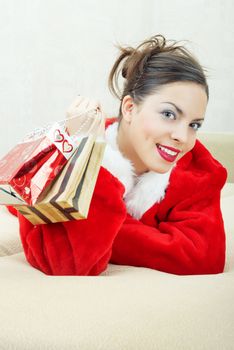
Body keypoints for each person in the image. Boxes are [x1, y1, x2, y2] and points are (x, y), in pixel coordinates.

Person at [7, 34, 227, 276]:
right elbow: (67, 263)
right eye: (169, 114)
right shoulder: (67, 155)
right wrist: (91, 156)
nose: (183, 137)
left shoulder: (199, 170)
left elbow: (203, 258)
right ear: (129, 108)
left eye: (194, 124)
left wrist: (106, 232)